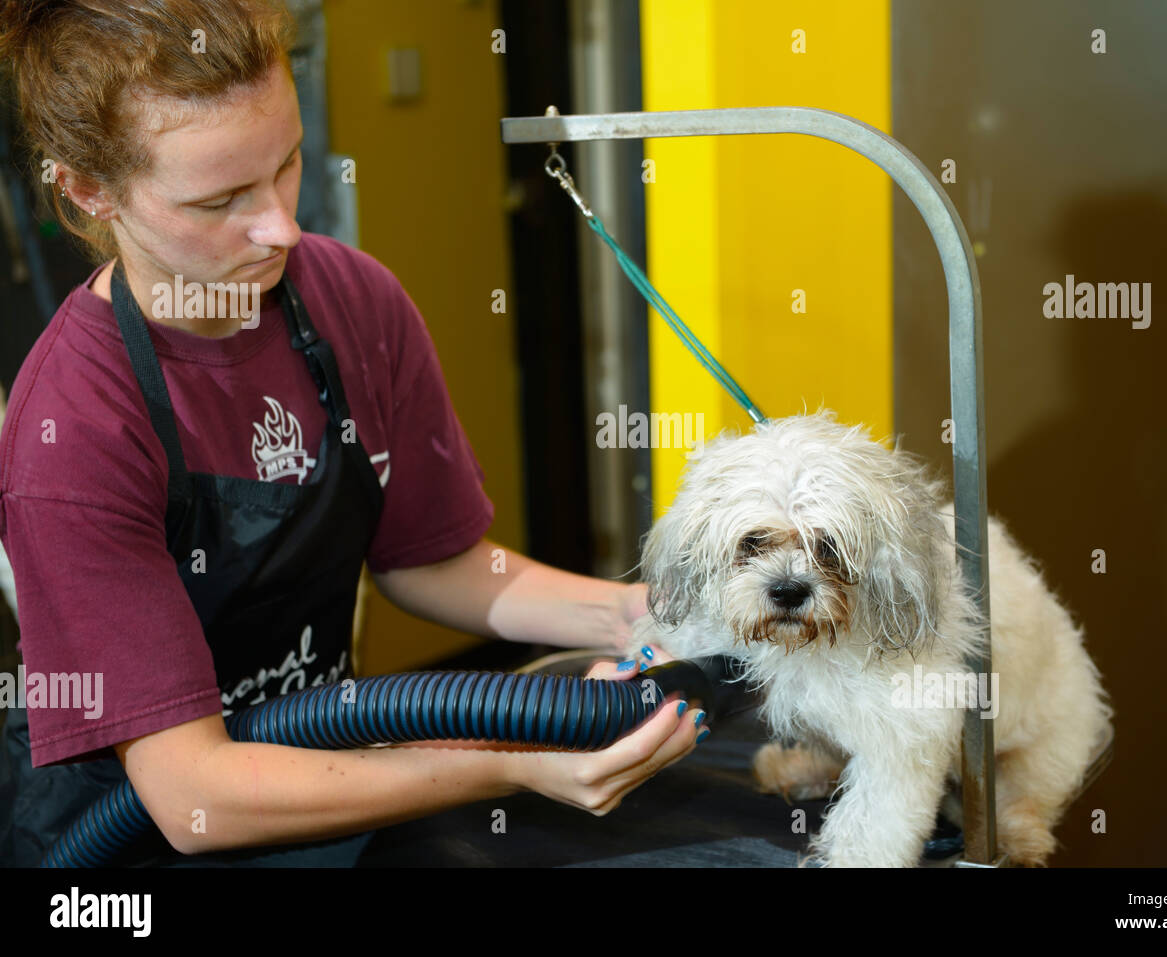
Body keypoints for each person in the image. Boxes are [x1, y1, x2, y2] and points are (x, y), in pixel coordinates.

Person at [0, 0, 704, 867]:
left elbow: (430, 559)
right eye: (221, 199)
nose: (281, 227)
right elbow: (193, 799)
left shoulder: (351, 300)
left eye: (288, 164)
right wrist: (514, 760)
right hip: (124, 844)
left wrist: (634, 613)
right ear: (87, 189)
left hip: (320, 783)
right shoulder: (74, 429)